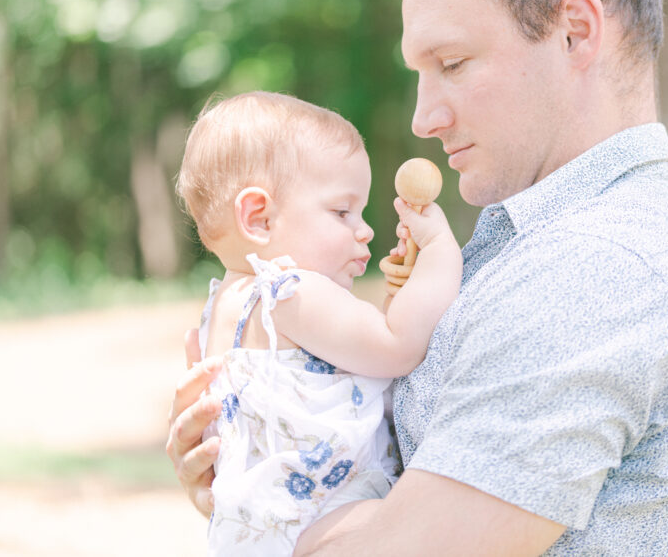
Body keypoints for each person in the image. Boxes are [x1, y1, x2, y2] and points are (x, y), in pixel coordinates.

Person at [168, 0, 668, 555]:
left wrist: (277, 530)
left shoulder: (597, 272)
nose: (423, 117)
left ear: (576, 31)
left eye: (452, 63)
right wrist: (263, 473)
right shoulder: (531, 249)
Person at [174, 91, 461, 555]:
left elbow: (358, 351)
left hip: (264, 529)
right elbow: (397, 345)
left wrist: (398, 297)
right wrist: (441, 253)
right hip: (321, 521)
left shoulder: (226, 306)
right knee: (434, 527)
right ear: (259, 218)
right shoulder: (288, 290)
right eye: (342, 212)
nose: (364, 229)